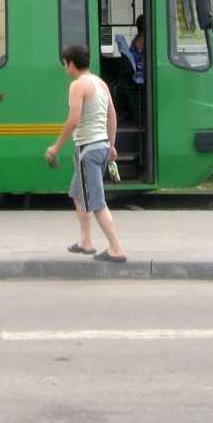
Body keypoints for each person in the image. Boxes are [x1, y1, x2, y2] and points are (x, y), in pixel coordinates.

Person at [44, 43, 127, 263]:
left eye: (64, 64)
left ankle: (116, 248)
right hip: (101, 147)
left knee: (97, 202)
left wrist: (55, 147)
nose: (65, 68)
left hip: (88, 150)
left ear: (71, 64)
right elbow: (112, 116)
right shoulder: (100, 83)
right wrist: (111, 145)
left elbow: (73, 120)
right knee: (78, 194)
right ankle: (86, 242)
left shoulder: (78, 85)